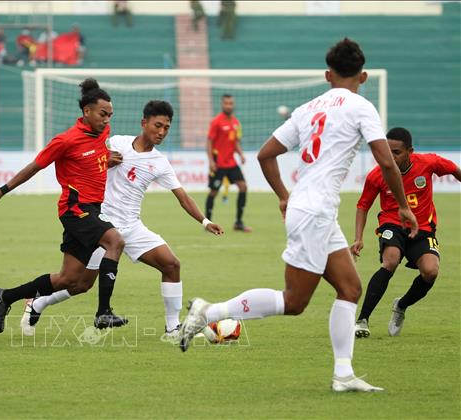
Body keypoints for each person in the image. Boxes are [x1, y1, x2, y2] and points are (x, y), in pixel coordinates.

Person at [178, 38, 419, 393]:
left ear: (327, 75)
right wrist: (401, 205)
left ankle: (343, 374)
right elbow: (386, 161)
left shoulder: (307, 108)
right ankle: (208, 311)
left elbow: (264, 155)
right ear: (364, 76)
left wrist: (283, 197)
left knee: (350, 289)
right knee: (294, 301)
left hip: (312, 208)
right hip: (315, 211)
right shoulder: (361, 105)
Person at [20, 100, 224, 340]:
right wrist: (105, 157)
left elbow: (182, 197)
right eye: (157, 125)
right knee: (80, 284)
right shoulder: (116, 143)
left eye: (167, 127)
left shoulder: (160, 162)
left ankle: (172, 329)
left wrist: (205, 221)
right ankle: (38, 304)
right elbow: (85, 156)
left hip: (132, 226)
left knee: (171, 265)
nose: (161, 132)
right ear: (144, 123)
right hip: (101, 224)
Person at [0, 79, 128, 333]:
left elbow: (92, 158)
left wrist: (106, 159)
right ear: (87, 112)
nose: (107, 120)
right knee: (115, 242)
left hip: (91, 209)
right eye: (103, 114)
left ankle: (5, 296)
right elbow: (34, 166)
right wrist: (2, 190)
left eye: (110, 115)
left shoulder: (102, 133)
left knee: (73, 281)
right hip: (75, 209)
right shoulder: (65, 140)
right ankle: (103, 313)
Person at [352, 127, 461, 338]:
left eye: (397, 152)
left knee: (430, 272)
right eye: (387, 151)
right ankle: (362, 320)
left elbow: (454, 169)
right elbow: (363, 205)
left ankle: (401, 306)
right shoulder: (378, 174)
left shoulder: (428, 163)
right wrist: (358, 238)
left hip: (423, 229)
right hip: (392, 225)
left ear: (410, 151)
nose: (391, 157)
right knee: (390, 261)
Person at [205, 94, 251, 232]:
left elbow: (235, 141)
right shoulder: (216, 122)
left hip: (231, 163)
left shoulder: (236, 123)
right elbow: (209, 142)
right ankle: (207, 223)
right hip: (218, 164)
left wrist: (241, 154)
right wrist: (211, 160)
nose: (228, 106)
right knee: (213, 192)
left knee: (243, 187)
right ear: (222, 104)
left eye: (231, 103)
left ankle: (238, 222)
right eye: (226, 103)